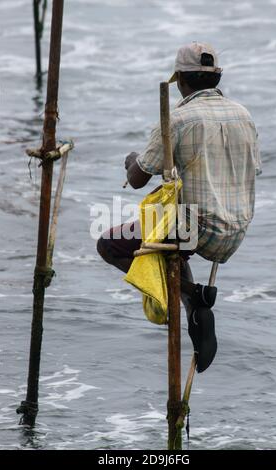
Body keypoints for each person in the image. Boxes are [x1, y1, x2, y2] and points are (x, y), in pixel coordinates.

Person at [97, 41, 261, 320]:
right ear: (217, 77)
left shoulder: (177, 119)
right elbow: (249, 170)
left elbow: (137, 179)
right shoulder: (243, 116)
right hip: (237, 228)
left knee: (110, 244)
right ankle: (191, 306)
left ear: (180, 80)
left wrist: (133, 160)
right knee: (167, 219)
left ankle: (191, 293)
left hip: (198, 229)